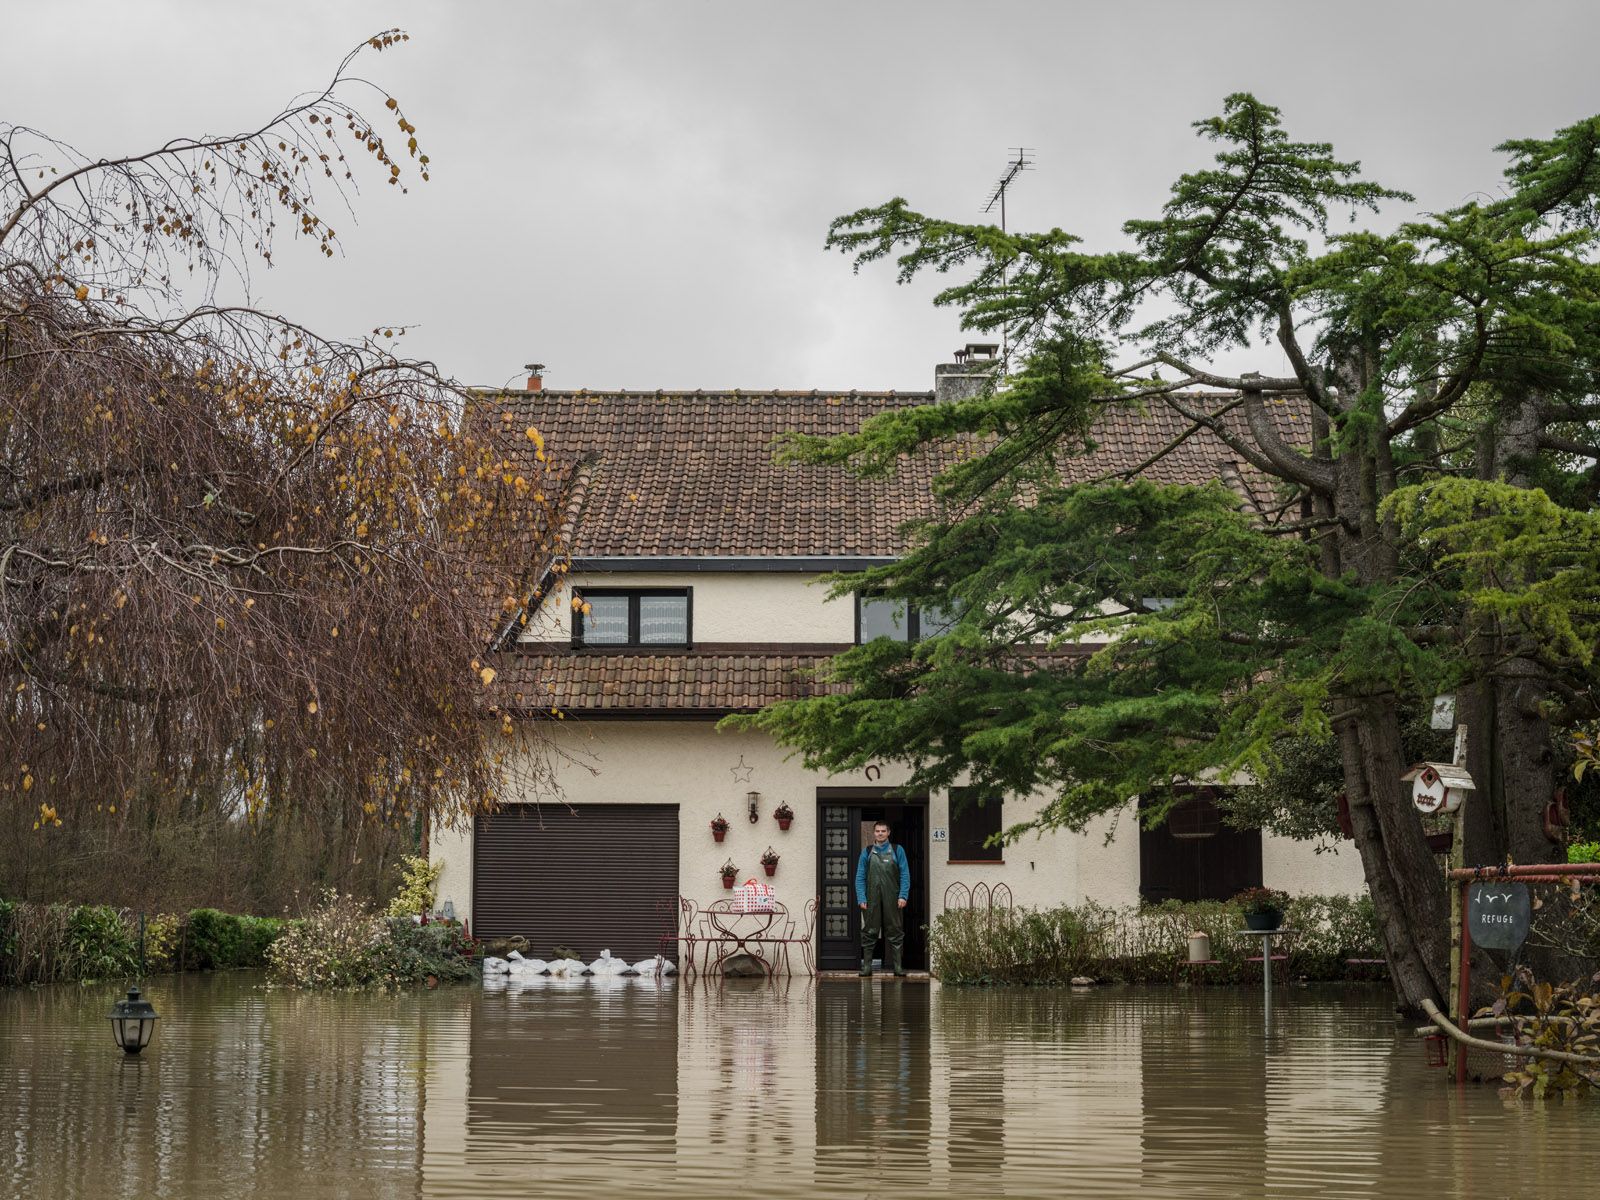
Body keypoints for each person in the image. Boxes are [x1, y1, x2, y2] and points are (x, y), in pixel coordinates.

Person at [855, 820, 909, 976]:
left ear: (888, 832)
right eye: (877, 831)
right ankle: (867, 967)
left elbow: (905, 874)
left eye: (883, 831)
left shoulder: (897, 850)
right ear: (874, 833)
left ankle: (898, 967)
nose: (880, 833)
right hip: (871, 898)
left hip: (893, 897)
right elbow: (860, 876)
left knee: (895, 931)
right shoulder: (867, 851)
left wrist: (903, 895)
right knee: (869, 931)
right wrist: (861, 897)